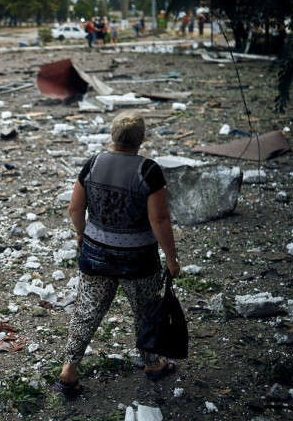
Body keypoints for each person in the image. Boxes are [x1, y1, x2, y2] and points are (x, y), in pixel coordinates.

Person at [53, 111, 181, 397]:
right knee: (145, 310)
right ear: (142, 139)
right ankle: (152, 364)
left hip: (96, 254)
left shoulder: (93, 164)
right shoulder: (148, 171)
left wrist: (80, 233)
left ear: (112, 137)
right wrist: (171, 259)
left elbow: (75, 208)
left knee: (86, 311)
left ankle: (70, 369)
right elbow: (159, 219)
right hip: (138, 260)